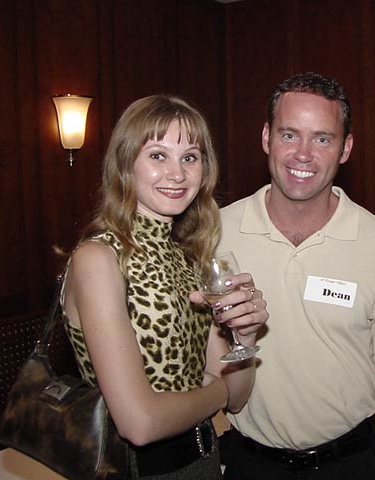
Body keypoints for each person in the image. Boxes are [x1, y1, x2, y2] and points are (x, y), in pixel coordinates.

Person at [217, 72, 375, 480]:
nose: (303, 154)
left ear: (346, 148)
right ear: (267, 138)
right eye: (289, 135)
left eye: (322, 139)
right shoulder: (216, 233)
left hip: (348, 464)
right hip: (247, 464)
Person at [60, 94, 268, 479]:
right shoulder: (99, 258)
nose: (177, 174)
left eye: (190, 157)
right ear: (125, 164)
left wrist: (244, 335)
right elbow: (139, 424)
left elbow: (239, 397)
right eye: (158, 155)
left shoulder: (190, 259)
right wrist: (216, 392)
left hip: (203, 462)